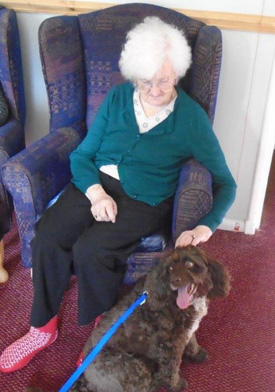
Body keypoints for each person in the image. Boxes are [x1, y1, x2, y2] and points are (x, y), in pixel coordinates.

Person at [0, 16, 236, 373]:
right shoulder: (117, 98)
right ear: (133, 74)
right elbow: (82, 156)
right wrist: (96, 193)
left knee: (93, 249)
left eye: (164, 81)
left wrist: (206, 227)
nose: (154, 90)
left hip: (147, 198)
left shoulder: (191, 119)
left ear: (178, 74)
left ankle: (103, 333)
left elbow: (226, 183)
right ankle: (42, 327)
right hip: (98, 184)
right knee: (47, 235)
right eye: (145, 81)